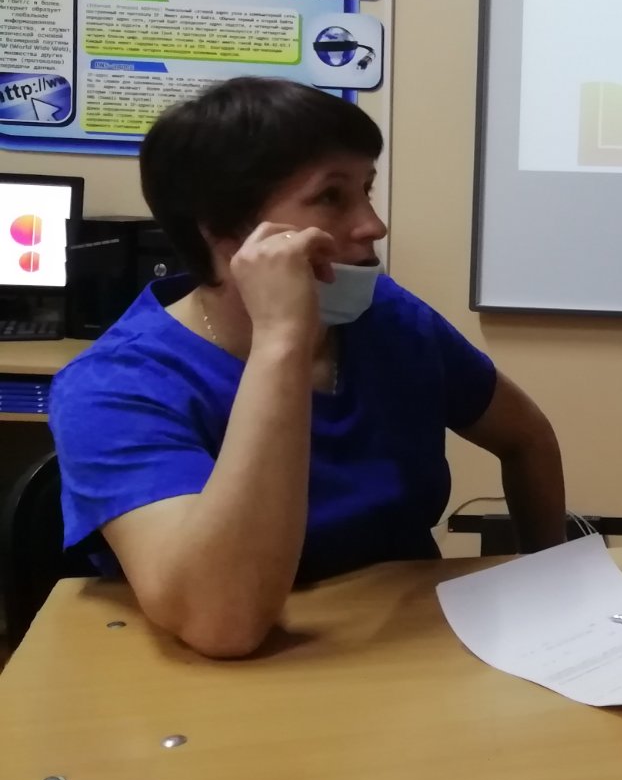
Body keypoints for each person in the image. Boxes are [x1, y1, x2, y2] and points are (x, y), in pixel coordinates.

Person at [51, 78, 567, 659]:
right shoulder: (115, 387)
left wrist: (550, 587)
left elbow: (526, 437)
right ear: (223, 229)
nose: (373, 224)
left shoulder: (386, 317)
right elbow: (222, 624)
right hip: (225, 678)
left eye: (366, 189)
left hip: (403, 647)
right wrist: (282, 340)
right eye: (331, 197)